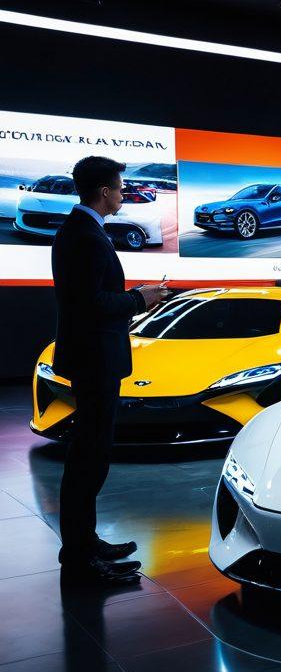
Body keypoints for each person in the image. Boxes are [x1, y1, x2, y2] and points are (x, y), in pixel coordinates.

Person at [52, 156, 166, 583]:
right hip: (95, 359)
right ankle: (79, 558)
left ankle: (84, 542)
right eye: (120, 188)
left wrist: (135, 296)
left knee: (90, 454)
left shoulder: (80, 230)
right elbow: (91, 305)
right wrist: (140, 299)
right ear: (104, 192)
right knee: (89, 458)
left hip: (93, 357)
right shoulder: (85, 236)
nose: (123, 195)